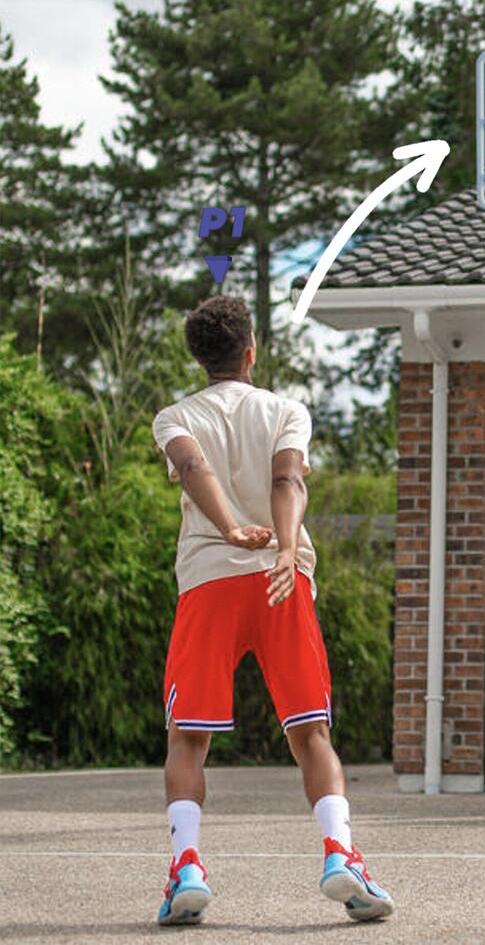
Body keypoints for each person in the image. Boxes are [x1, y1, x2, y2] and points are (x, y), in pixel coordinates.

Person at [151, 296, 393, 925]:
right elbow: (289, 480)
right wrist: (284, 547)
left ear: (198, 357)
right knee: (310, 731)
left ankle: (187, 871)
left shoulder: (174, 415)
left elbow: (192, 464)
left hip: (207, 582)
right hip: (280, 582)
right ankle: (340, 856)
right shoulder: (285, 409)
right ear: (251, 352)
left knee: (187, 738)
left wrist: (230, 529)